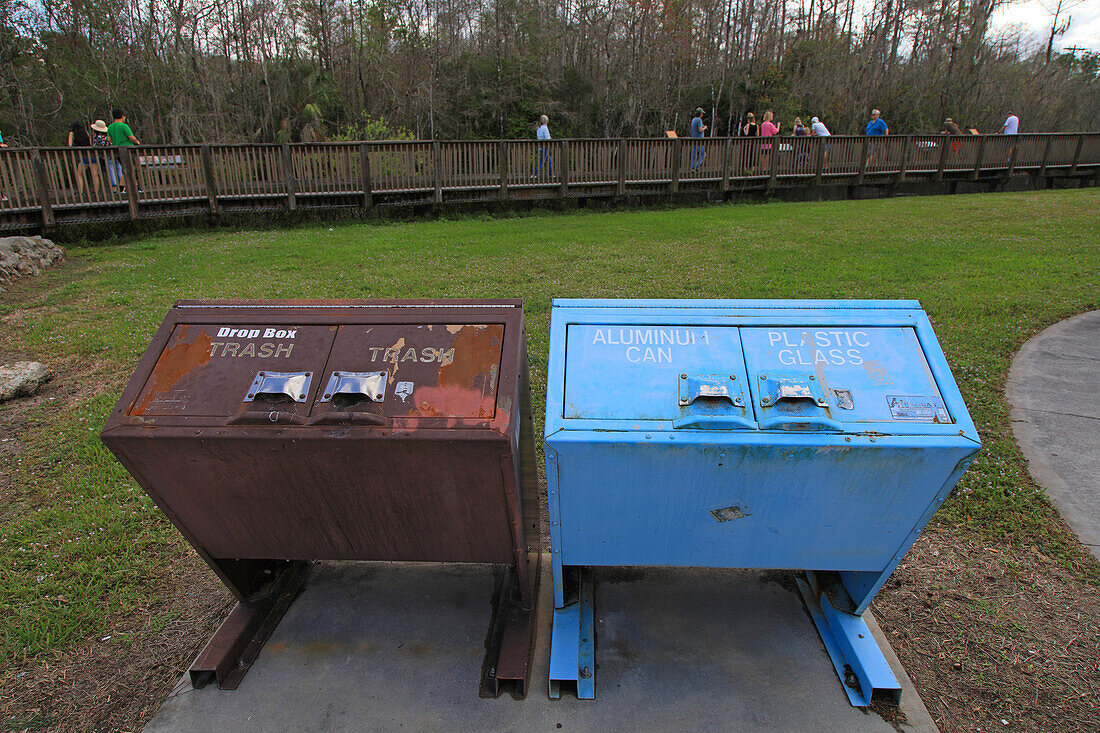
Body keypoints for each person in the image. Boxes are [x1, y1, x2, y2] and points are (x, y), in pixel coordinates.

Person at [107, 109, 140, 192]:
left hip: (117, 150)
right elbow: (131, 136)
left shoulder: (110, 127)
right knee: (130, 168)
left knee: (126, 168)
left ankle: (134, 187)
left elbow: (109, 139)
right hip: (127, 149)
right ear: (122, 116)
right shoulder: (124, 126)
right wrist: (137, 142)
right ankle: (123, 188)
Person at [68, 121, 101, 197]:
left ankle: (81, 192)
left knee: (79, 174)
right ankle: (96, 192)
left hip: (83, 155)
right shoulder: (85, 132)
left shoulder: (72, 133)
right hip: (91, 154)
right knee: (95, 174)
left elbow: (70, 145)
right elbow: (90, 142)